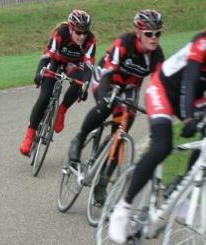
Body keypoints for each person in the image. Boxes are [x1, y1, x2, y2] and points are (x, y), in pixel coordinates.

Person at [108, 31, 206, 244]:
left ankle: (178, 190)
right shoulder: (202, 43)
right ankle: (122, 208)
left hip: (195, 97)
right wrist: (188, 118)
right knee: (163, 145)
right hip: (163, 90)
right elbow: (188, 82)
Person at [67, 10, 165, 203]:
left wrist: (157, 119)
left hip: (129, 88)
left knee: (120, 132)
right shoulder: (125, 43)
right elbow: (107, 73)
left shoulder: (156, 56)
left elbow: (158, 89)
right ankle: (79, 139)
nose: (154, 38)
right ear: (138, 33)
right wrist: (104, 96)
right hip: (106, 78)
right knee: (106, 107)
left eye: (158, 33)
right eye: (149, 34)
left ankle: (102, 183)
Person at [19, 9, 97, 156]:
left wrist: (85, 87)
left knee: (79, 82)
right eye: (78, 32)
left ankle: (61, 111)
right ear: (71, 28)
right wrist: (39, 73)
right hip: (56, 60)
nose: (81, 36)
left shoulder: (90, 40)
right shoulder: (61, 33)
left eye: (84, 33)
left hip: (74, 64)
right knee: (45, 96)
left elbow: (89, 66)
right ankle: (29, 136)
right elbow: (47, 55)